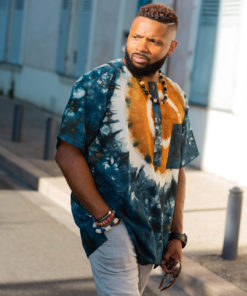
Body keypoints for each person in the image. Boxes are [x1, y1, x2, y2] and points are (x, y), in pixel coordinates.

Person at [55, 3, 199, 295]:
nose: (141, 47)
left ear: (171, 47)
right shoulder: (98, 84)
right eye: (136, 36)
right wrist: (106, 220)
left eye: (153, 41)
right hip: (111, 229)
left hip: (153, 235)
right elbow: (66, 153)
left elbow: (176, 168)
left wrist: (175, 235)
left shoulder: (176, 96)